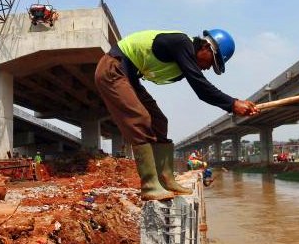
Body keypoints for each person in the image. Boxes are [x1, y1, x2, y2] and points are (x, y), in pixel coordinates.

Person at [95, 28, 259, 201]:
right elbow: (201, 88)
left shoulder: (185, 57)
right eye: (212, 62)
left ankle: (166, 180)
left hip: (129, 76)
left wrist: (233, 103)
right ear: (206, 47)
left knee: (159, 121)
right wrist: (233, 104)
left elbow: (200, 84)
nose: (209, 68)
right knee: (140, 119)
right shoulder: (182, 44)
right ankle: (150, 185)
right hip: (113, 68)